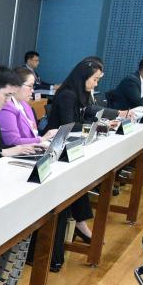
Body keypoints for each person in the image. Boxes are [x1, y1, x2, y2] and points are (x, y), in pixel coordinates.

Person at [43, 61, 103, 270]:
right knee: (75, 181)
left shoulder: (81, 93)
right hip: (54, 147)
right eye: (94, 79)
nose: (95, 84)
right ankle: (80, 223)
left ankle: (80, 223)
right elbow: (68, 124)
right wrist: (95, 125)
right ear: (83, 77)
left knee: (79, 181)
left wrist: (100, 121)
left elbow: (86, 115)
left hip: (67, 145)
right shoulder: (67, 94)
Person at [0, 67, 57, 146]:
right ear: (16, 86)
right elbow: (12, 142)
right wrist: (42, 139)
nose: (32, 90)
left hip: (33, 148)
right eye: (30, 86)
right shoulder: (6, 108)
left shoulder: (24, 104)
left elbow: (34, 133)